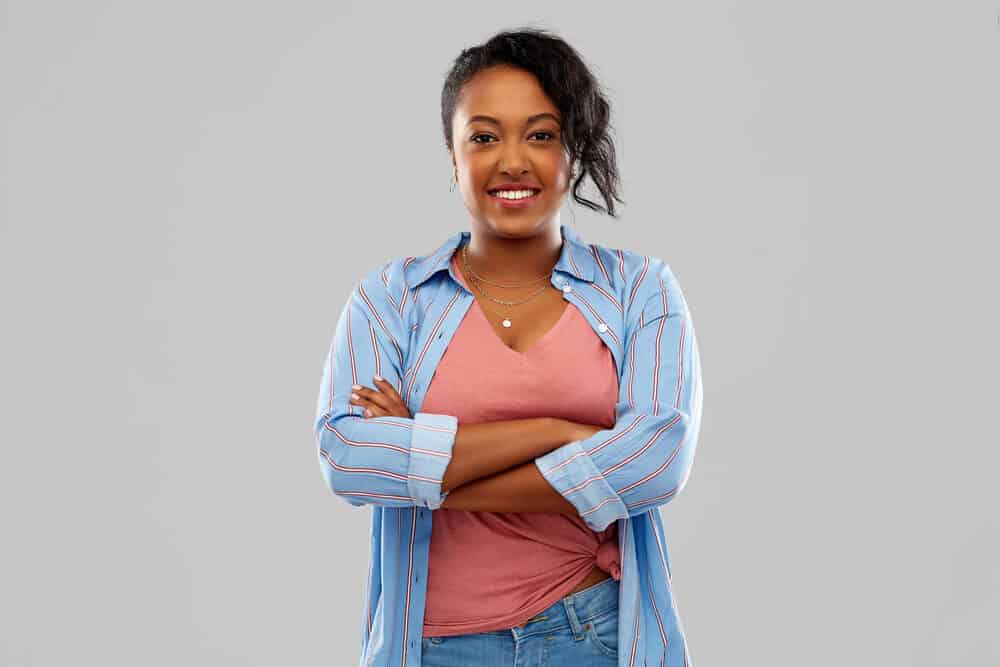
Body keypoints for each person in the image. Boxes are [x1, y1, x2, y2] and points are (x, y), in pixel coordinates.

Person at [314, 27, 703, 667]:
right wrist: (558, 430)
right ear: (453, 154)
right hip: (434, 647)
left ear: (571, 152)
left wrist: (425, 467)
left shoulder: (640, 290)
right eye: (485, 136)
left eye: (541, 134)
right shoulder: (391, 297)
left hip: (591, 634)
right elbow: (348, 456)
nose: (513, 161)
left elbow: (657, 461)